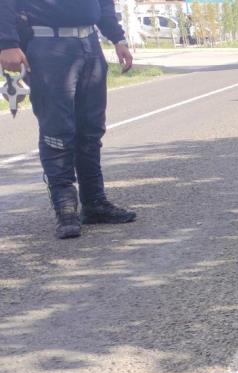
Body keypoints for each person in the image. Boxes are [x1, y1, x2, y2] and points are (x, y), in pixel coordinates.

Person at [0, 0, 137, 239]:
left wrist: (118, 38)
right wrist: (7, 42)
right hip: (47, 44)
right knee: (57, 131)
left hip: (90, 44)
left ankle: (94, 203)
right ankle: (65, 209)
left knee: (91, 129)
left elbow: (104, 3)